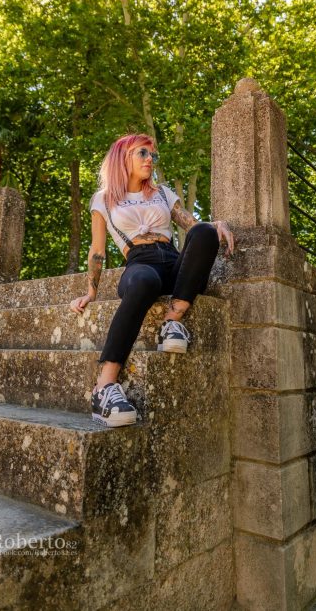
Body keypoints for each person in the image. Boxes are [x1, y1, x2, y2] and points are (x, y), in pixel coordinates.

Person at [70, 134, 234, 427]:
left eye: (153, 155)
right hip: (139, 264)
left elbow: (192, 226)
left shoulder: (162, 193)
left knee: (206, 232)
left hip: (174, 265)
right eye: (143, 153)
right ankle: (104, 387)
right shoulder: (103, 199)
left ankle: (172, 321)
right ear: (123, 157)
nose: (150, 159)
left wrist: (215, 225)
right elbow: (97, 251)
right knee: (144, 280)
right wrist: (91, 293)